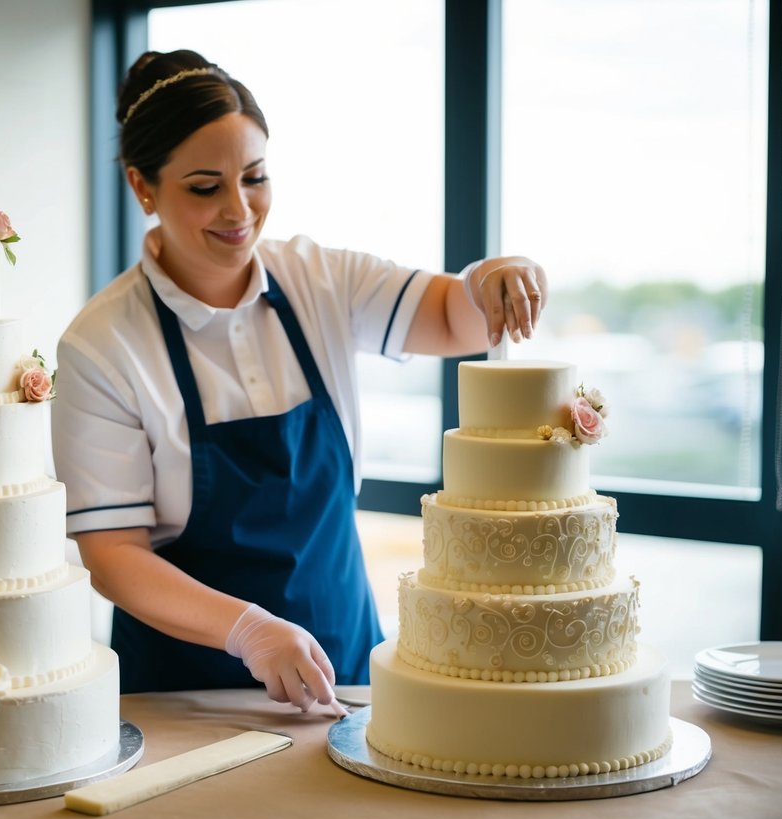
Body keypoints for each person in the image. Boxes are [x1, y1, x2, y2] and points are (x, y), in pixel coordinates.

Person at [51, 49, 547, 718]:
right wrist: (247, 630)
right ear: (143, 187)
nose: (239, 209)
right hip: (186, 689)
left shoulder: (319, 279)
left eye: (254, 177)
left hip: (343, 658)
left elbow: (448, 319)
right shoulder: (102, 345)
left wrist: (487, 279)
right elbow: (112, 555)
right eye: (205, 186)